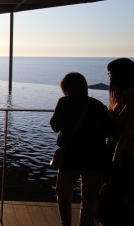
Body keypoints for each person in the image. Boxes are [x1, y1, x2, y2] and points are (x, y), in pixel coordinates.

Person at [50, 72, 111, 226]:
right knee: (89, 200)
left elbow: (55, 126)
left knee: (63, 194)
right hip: (96, 158)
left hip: (71, 156)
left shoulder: (64, 102)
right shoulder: (97, 105)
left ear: (66, 88)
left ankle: (66, 224)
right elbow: (109, 131)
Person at [107, 58, 134, 225]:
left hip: (126, 151)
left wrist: (117, 153)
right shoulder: (125, 93)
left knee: (125, 192)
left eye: (111, 73)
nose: (109, 76)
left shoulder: (131, 93)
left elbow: (130, 124)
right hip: (122, 148)